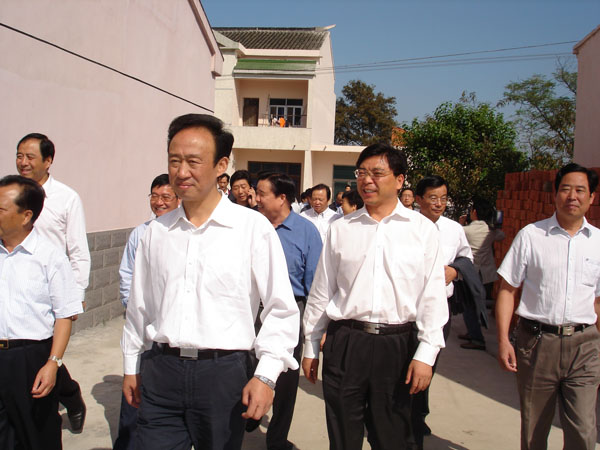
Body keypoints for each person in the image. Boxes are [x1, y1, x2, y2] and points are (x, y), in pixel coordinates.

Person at [121, 114, 299, 450]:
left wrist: (266, 375)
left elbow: (280, 309)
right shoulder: (156, 232)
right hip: (161, 371)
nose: (181, 172)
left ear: (221, 165)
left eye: (193, 161)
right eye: (174, 161)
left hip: (223, 376)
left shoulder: (252, 228)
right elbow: (140, 306)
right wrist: (132, 364)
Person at [302, 143, 448, 450]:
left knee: (392, 436)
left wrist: (426, 353)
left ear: (399, 180)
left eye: (377, 173)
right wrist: (311, 344)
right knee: (343, 434)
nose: (367, 180)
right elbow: (322, 290)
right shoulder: (341, 228)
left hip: (397, 345)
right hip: (346, 342)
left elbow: (433, 297)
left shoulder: (422, 230)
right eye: (361, 173)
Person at [496, 163, 600, 450]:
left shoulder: (598, 243)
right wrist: (503, 339)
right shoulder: (532, 236)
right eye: (565, 189)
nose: (572, 196)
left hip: (585, 345)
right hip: (537, 343)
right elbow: (507, 290)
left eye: (580, 190)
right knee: (534, 430)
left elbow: (598, 301)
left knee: (584, 431)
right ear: (555, 194)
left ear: (591, 197)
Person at [0, 175, 83, 450]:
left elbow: (64, 316)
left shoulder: (49, 257)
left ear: (26, 216)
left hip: (30, 359)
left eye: (1, 208)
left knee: (37, 437)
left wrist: (53, 364)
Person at [15, 132, 89, 432]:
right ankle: (66, 393)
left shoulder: (66, 198)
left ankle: (69, 395)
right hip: (15, 286)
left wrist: (76, 294)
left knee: (44, 350)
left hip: (51, 290)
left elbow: (78, 250)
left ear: (48, 161)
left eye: (30, 157)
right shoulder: (10, 195)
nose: (23, 162)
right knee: (26, 350)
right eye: (19, 155)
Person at [255, 172, 323, 450]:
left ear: (282, 197)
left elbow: (315, 284)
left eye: (261, 194)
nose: (255, 199)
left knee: (284, 380)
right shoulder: (252, 226)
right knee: (244, 368)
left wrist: (313, 330)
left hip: (291, 311)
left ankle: (277, 438)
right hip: (252, 309)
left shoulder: (307, 232)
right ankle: (249, 415)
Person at [113, 174, 179, 450]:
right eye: (154, 196)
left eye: (166, 197)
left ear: (178, 199)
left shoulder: (183, 234)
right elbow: (127, 275)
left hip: (169, 330)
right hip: (142, 325)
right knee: (134, 386)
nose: (159, 202)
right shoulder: (140, 233)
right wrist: (133, 308)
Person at [413, 175, 476, 448]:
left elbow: (466, 258)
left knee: (428, 363)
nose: (439, 203)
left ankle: (418, 415)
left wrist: (455, 270)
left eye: (443, 198)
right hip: (410, 308)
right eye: (433, 198)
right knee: (405, 362)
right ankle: (401, 415)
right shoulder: (407, 226)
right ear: (419, 199)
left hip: (441, 308)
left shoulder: (454, 229)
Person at [461, 198, 505, 303]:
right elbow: (502, 236)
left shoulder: (465, 230)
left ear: (474, 212)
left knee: (470, 302)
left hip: (469, 271)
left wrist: (461, 223)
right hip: (487, 273)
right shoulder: (491, 231)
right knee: (484, 301)